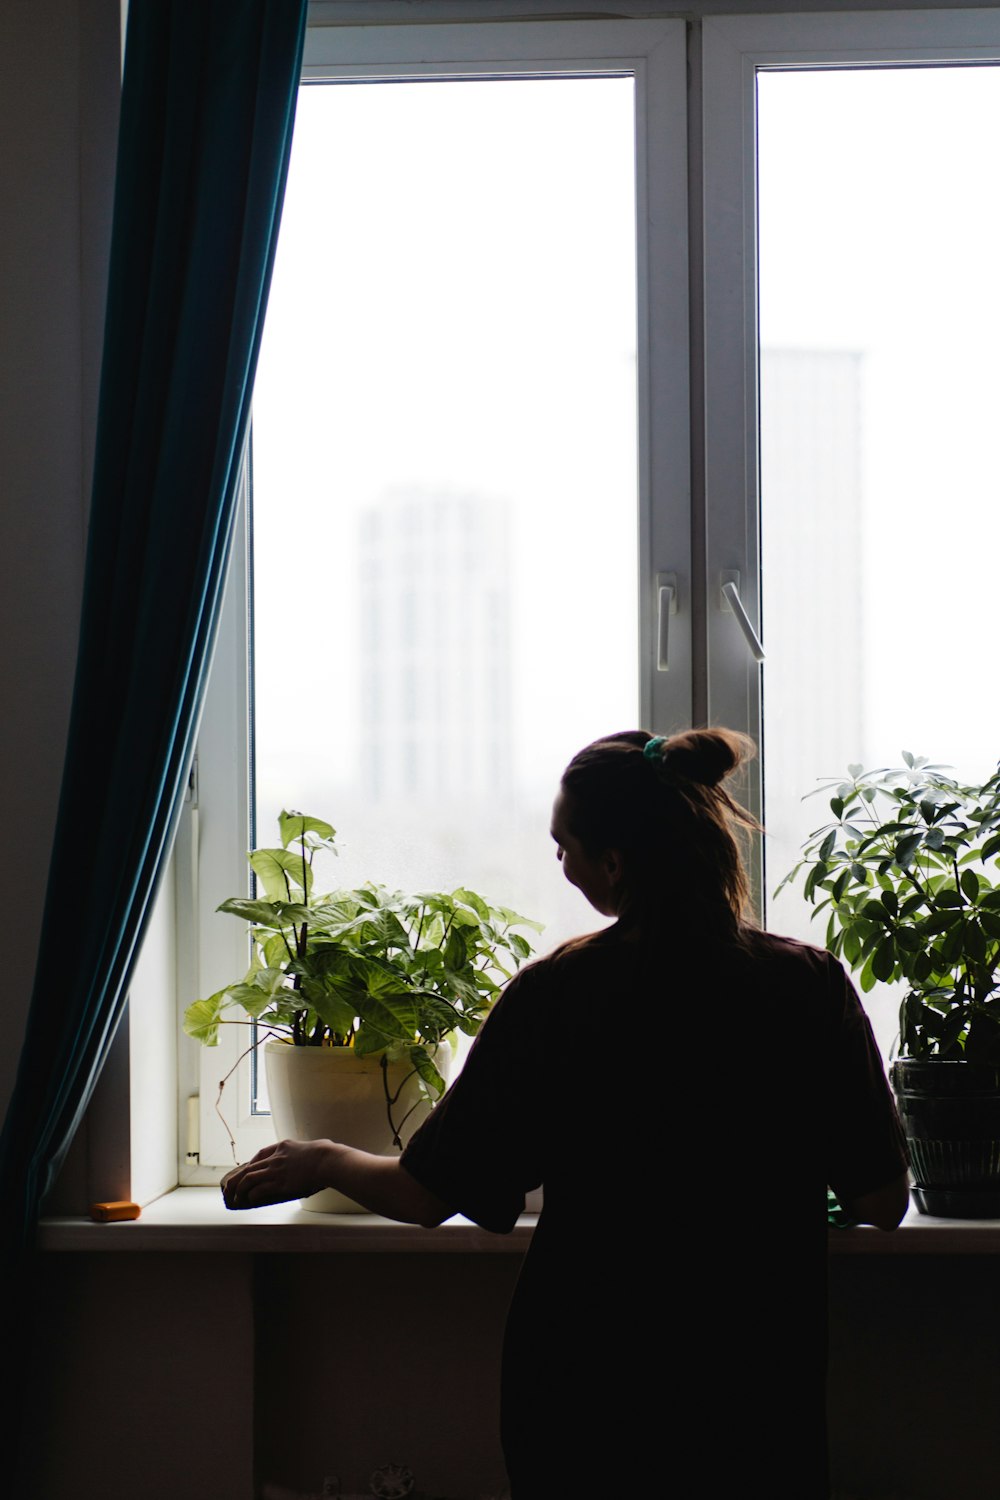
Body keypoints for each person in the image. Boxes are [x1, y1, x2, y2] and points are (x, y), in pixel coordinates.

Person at [223, 728, 909, 1496]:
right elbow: (881, 1202)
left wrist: (320, 1158)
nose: (561, 866)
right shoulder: (809, 987)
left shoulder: (557, 995)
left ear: (614, 864)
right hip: (754, 1390)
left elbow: (425, 1194)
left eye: (563, 848)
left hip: (582, 1387)